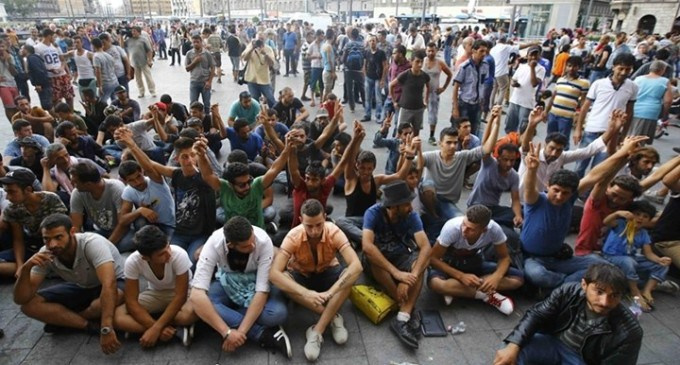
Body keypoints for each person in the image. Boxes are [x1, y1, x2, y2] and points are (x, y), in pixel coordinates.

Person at [520, 135, 648, 291]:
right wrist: (532, 170)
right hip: (533, 259)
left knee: (603, 266)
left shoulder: (569, 200)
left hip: (558, 258)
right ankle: (565, 287)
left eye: (565, 193)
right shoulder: (536, 200)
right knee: (538, 275)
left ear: (572, 193)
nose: (560, 196)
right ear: (548, 185)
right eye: (556, 190)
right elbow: (528, 188)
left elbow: (595, 174)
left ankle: (561, 287)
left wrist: (623, 152)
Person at [13, 214, 124, 354]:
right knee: (28, 306)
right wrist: (26, 268)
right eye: (46, 239)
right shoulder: (45, 253)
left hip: (115, 283)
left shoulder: (92, 243)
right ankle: (86, 325)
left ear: (72, 232)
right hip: (81, 286)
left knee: (106, 301)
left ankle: (66, 321)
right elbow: (20, 299)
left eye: (58, 237)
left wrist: (106, 328)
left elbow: (109, 285)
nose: (52, 244)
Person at [493, 263, 643, 365]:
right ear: (584, 285)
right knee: (508, 352)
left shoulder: (629, 331)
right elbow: (537, 314)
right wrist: (514, 346)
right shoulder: (568, 291)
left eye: (614, 295)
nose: (605, 302)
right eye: (599, 292)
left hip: (581, 360)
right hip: (552, 342)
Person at [270, 199, 362, 361]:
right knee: (284, 280)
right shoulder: (293, 235)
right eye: (309, 226)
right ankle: (333, 317)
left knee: (350, 275)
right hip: (302, 276)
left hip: (328, 273)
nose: (314, 231)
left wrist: (331, 292)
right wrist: (307, 293)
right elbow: (274, 274)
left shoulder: (334, 231)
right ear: (301, 221)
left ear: (325, 217)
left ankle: (317, 330)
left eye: (319, 225)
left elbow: (357, 266)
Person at [189, 216, 292, 357]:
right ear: (231, 245)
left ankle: (223, 318)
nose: (253, 246)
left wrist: (241, 332)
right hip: (227, 281)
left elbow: (262, 291)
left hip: (254, 281)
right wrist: (227, 332)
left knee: (277, 314)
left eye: (252, 240)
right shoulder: (214, 242)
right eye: (246, 246)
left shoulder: (263, 240)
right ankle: (262, 334)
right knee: (204, 302)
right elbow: (196, 294)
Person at [361, 180, 431, 349]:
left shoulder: (411, 216)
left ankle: (402, 317)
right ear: (393, 206)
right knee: (373, 257)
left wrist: (410, 278)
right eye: (406, 204)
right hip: (379, 262)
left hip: (400, 256)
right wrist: (397, 274)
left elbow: (426, 246)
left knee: (421, 262)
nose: (411, 207)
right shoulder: (373, 213)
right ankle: (404, 304)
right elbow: (367, 245)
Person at [428, 205, 523, 314]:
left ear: (484, 230)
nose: (464, 230)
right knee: (436, 284)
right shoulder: (452, 228)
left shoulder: (494, 229)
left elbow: (505, 258)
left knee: (517, 279)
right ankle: (487, 295)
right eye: (464, 224)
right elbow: (433, 259)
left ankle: (457, 289)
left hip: (474, 262)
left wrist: (496, 277)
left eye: (470, 229)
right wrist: (461, 276)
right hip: (448, 265)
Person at [113, 226, 198, 347]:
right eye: (161, 254)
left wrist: (155, 328)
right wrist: (157, 328)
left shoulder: (179, 254)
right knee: (118, 316)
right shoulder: (132, 262)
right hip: (156, 293)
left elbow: (181, 296)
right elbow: (131, 301)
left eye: (168, 246)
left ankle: (149, 327)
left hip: (185, 293)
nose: (168, 254)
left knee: (189, 315)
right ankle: (171, 331)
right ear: (146, 258)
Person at [574, 53, 637, 178]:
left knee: (598, 171)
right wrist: (578, 128)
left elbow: (630, 112)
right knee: (579, 167)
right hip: (592, 131)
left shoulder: (633, 87)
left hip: (613, 135)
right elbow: (585, 107)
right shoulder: (598, 84)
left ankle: (586, 197)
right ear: (614, 67)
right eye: (621, 68)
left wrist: (623, 135)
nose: (624, 72)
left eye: (628, 69)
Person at [601, 200, 670, 311]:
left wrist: (660, 260)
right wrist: (617, 213)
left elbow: (648, 254)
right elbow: (606, 221)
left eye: (645, 216)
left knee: (663, 265)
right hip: (611, 256)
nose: (640, 218)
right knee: (629, 261)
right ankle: (634, 291)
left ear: (649, 220)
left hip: (630, 258)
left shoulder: (644, 233)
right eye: (637, 214)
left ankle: (647, 290)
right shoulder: (621, 224)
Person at [0, 169, 67, 278]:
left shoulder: (50, 199)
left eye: (12, 192)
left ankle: (44, 268)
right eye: (7, 192)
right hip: (31, 246)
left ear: (28, 189)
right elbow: (18, 239)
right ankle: (37, 269)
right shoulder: (12, 209)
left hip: (54, 243)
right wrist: (20, 265)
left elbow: (61, 230)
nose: (8, 197)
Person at [69, 160, 132, 251]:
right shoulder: (77, 193)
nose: (72, 185)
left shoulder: (116, 188)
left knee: (127, 243)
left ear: (88, 184)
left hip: (125, 230)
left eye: (75, 182)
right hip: (101, 230)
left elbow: (123, 224)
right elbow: (76, 226)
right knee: (88, 246)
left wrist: (108, 246)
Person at [543, 56, 590, 149]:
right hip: (553, 114)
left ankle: (561, 161)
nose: (571, 68)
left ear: (579, 67)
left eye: (575, 66)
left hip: (567, 117)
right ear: (566, 66)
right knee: (550, 138)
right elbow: (553, 97)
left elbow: (583, 103)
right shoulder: (560, 80)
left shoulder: (584, 83)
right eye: (569, 66)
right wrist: (546, 111)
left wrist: (579, 118)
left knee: (563, 141)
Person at [451, 40, 490, 136]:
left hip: (477, 105)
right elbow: (456, 88)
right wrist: (455, 108)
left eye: (485, 51)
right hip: (465, 104)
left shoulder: (485, 65)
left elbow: (483, 84)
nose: (484, 54)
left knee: (473, 131)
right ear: (474, 51)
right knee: (460, 131)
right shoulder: (464, 67)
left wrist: (482, 101)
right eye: (481, 51)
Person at [628, 60, 672, 143]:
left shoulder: (638, 79)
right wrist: (665, 115)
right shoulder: (664, 81)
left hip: (634, 109)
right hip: (650, 112)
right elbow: (668, 101)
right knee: (638, 141)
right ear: (662, 70)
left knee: (630, 136)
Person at [504, 46, 545, 134]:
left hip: (527, 104)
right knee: (509, 126)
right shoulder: (521, 67)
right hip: (515, 100)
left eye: (536, 55)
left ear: (539, 56)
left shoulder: (541, 69)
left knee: (523, 129)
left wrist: (532, 68)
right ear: (527, 56)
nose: (533, 57)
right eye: (531, 55)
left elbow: (534, 83)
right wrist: (513, 83)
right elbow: (513, 79)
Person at [391, 49, 430, 137]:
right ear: (411, 61)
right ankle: (397, 149)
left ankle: (413, 149)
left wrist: (426, 100)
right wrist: (394, 101)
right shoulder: (405, 75)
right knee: (400, 132)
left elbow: (428, 87)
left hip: (419, 109)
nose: (420, 64)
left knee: (416, 132)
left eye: (421, 62)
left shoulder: (424, 76)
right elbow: (391, 85)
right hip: (406, 108)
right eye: (417, 62)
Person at [34, 29, 75, 110]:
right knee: (56, 98)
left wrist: (62, 68)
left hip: (62, 74)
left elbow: (62, 59)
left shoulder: (56, 46)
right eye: (53, 36)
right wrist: (49, 69)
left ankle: (71, 113)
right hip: (50, 76)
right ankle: (60, 115)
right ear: (49, 36)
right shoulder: (37, 48)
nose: (55, 38)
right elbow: (37, 64)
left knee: (69, 96)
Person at [423, 41, 452, 144]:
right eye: (428, 51)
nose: (430, 53)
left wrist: (443, 88)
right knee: (418, 113)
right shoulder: (422, 61)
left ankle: (431, 136)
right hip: (421, 92)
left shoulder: (440, 63)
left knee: (433, 114)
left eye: (432, 51)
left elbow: (449, 74)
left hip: (434, 93)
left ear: (436, 51)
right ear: (426, 51)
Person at [241, 37, 276, 107]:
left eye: (261, 39)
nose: (259, 42)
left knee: (270, 98)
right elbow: (244, 58)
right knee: (254, 100)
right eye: (258, 39)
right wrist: (251, 49)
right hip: (252, 78)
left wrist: (265, 54)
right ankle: (257, 115)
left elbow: (272, 63)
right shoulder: (250, 47)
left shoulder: (268, 49)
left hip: (264, 79)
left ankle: (275, 114)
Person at [185, 34, 215, 113]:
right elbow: (187, 68)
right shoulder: (189, 54)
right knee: (193, 103)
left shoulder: (207, 54)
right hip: (194, 81)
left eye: (197, 42)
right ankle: (192, 120)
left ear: (201, 42)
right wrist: (195, 62)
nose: (195, 44)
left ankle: (207, 119)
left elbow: (212, 67)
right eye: (194, 42)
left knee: (207, 104)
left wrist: (209, 81)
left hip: (205, 82)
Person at [362, 35, 388, 123]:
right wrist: (365, 75)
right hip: (369, 77)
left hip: (378, 78)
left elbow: (385, 66)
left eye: (373, 41)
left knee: (378, 98)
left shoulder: (381, 53)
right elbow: (365, 64)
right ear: (368, 43)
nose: (372, 42)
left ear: (377, 42)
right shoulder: (366, 52)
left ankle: (378, 115)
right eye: (370, 41)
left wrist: (383, 79)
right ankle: (367, 114)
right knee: (367, 97)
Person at [125, 26, 156, 98]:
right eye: (132, 31)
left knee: (148, 77)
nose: (133, 32)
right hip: (134, 63)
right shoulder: (129, 40)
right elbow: (122, 45)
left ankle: (152, 91)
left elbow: (149, 51)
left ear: (139, 32)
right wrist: (120, 35)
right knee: (138, 79)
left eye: (134, 31)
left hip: (144, 62)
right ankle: (141, 92)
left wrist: (150, 60)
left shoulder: (143, 39)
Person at [22, 44, 53, 112]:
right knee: (47, 105)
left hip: (43, 85)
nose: (21, 51)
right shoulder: (32, 58)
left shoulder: (32, 58)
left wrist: (39, 84)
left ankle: (58, 119)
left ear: (26, 50)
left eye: (22, 49)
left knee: (47, 105)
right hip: (44, 84)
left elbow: (38, 71)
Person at [342, 28, 365, 113]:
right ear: (358, 35)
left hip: (349, 70)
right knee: (361, 87)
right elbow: (364, 57)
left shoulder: (348, 45)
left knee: (349, 88)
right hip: (359, 70)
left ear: (351, 35)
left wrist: (346, 65)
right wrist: (362, 67)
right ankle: (365, 104)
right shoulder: (362, 45)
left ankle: (352, 107)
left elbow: (343, 57)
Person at [91, 38, 119, 103]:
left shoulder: (96, 56)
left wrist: (100, 86)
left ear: (93, 46)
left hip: (106, 83)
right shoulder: (108, 55)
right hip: (114, 81)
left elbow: (98, 72)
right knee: (115, 100)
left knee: (101, 102)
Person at [0, 40, 19, 122]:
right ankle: (13, 124)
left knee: (16, 106)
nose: (1, 49)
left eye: (2, 47)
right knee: (9, 106)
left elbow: (14, 73)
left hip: (13, 83)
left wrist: (8, 61)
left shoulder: (10, 57)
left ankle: (18, 124)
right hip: (3, 85)